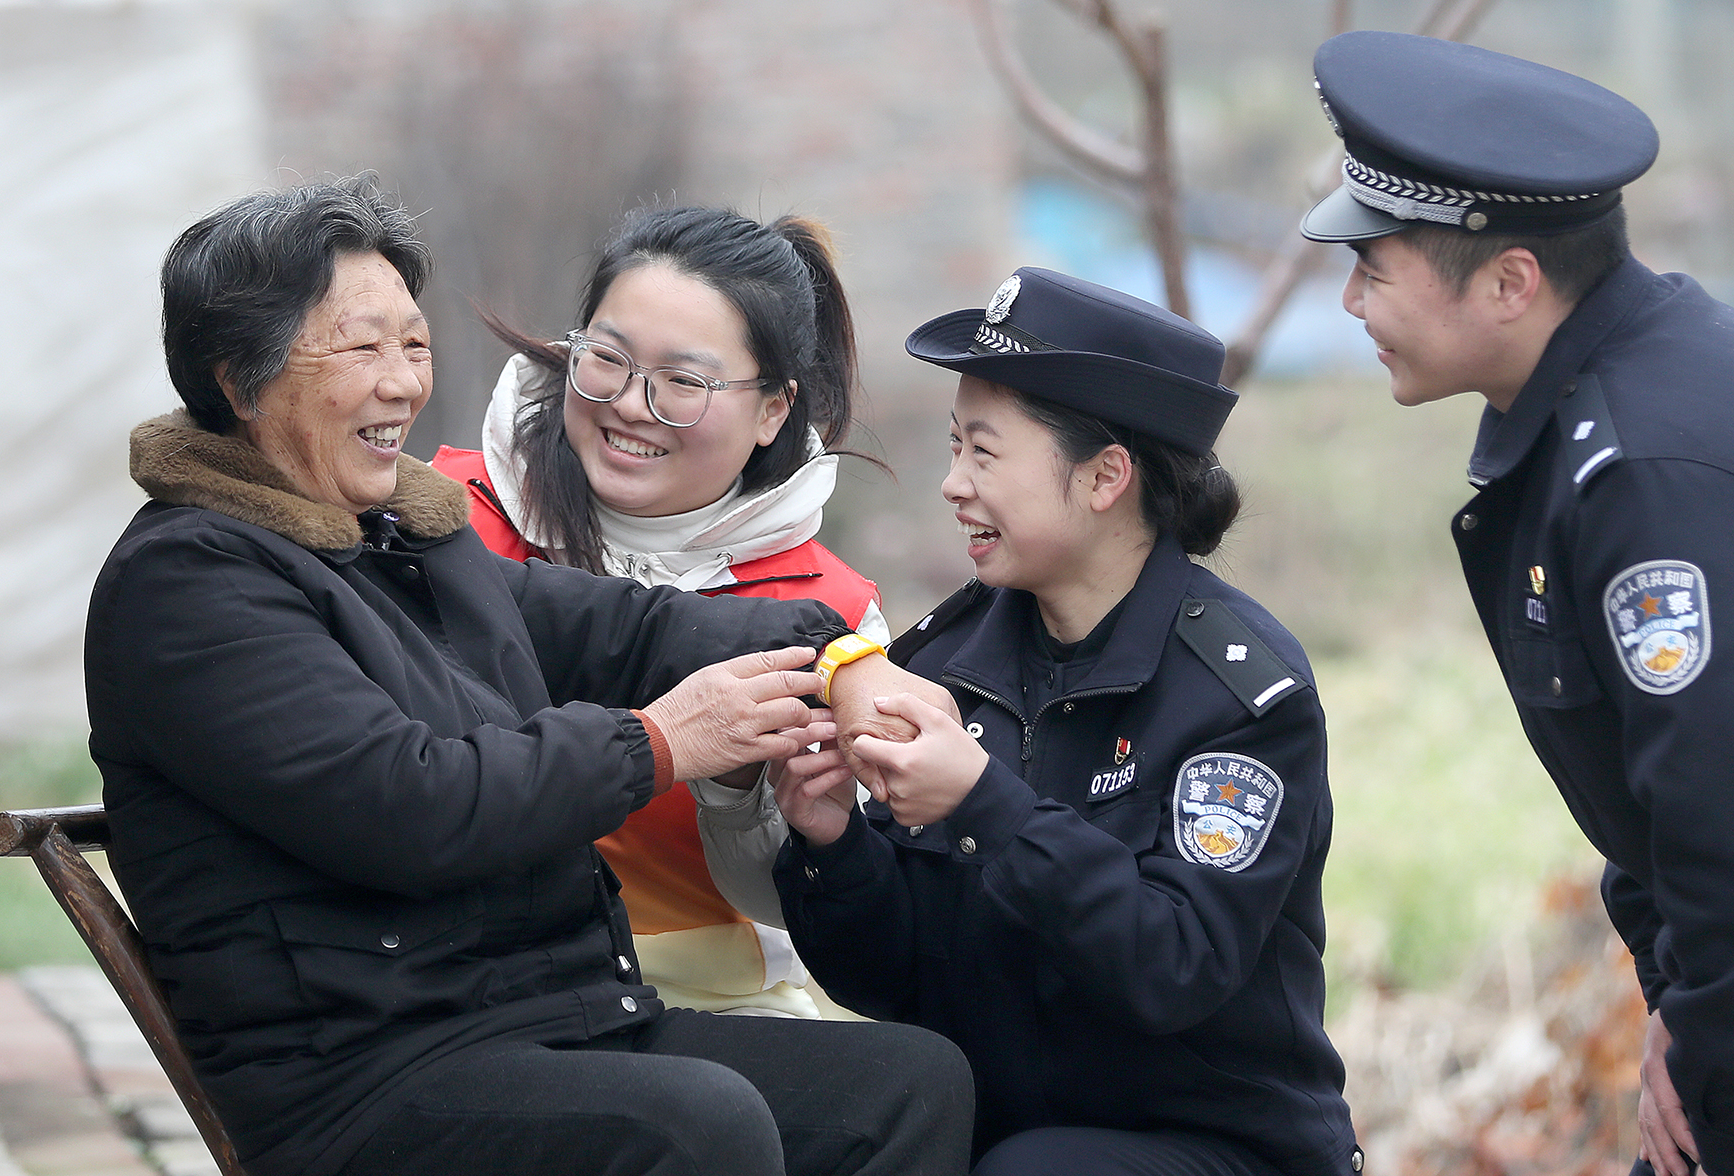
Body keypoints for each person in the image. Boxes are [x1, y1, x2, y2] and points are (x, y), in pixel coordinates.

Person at [84, 176, 974, 1176]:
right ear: (238, 380)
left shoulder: (397, 539)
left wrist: (843, 659)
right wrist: (662, 743)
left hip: (550, 1020)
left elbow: (629, 628)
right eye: (362, 349)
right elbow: (409, 805)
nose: (402, 384)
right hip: (365, 1079)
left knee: (909, 1083)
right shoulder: (190, 582)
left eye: (414, 345)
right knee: (696, 1125)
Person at [770, 267, 1361, 1176]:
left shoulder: (1237, 696)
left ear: (1105, 476)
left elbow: (1174, 967)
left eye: (984, 453)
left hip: (1214, 1147)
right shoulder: (946, 663)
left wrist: (985, 805)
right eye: (954, 446)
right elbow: (894, 982)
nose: (952, 484)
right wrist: (833, 844)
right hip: (1003, 1139)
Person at [1299, 30, 1734, 1176]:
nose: (1348, 301)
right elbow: (1651, 793)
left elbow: (1713, 802)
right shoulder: (1612, 391)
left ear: (1508, 282)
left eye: (1371, 268)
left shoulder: (1641, 471)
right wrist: (1679, 1001)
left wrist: (1706, 1052)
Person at [431, 206, 886, 1018]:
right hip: (455, 985)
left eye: (683, 382)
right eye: (607, 358)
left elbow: (800, 907)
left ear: (775, 409)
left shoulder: (833, 615)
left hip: (710, 1007)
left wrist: (738, 788)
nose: (632, 406)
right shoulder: (443, 515)